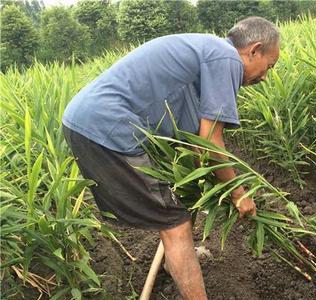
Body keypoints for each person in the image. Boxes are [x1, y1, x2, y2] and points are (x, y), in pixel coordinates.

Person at [62, 16, 280, 299]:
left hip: (92, 122)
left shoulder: (206, 52)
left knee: (176, 201)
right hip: (105, 128)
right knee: (174, 223)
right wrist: (238, 193)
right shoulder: (226, 58)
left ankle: (171, 263)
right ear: (254, 50)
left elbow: (195, 143)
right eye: (269, 66)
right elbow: (210, 141)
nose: (264, 77)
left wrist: (210, 180)